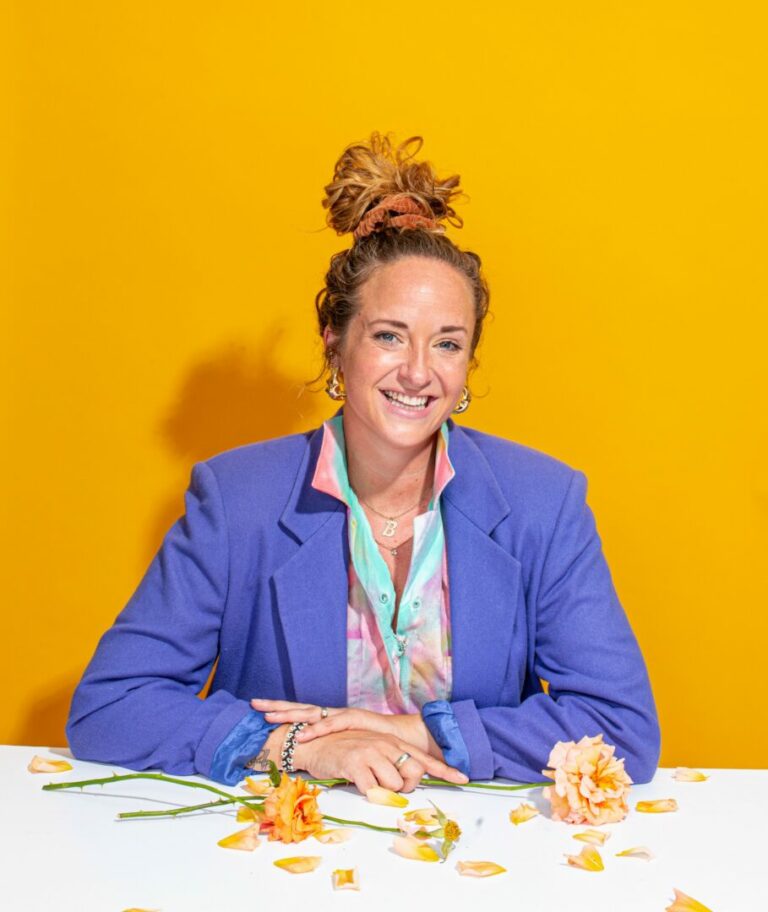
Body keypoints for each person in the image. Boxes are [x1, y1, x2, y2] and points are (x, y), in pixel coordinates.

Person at [66, 132, 660, 794]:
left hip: (480, 842)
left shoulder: (543, 502)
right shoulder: (236, 501)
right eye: (388, 336)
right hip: (290, 841)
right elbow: (110, 706)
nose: (418, 372)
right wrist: (296, 747)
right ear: (335, 344)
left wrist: (415, 732)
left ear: (468, 363)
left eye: (447, 344)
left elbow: (621, 727)